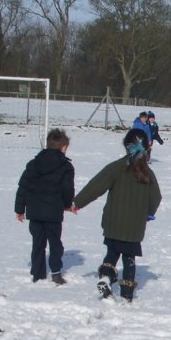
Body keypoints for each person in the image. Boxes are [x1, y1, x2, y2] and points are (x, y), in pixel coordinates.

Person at [72, 129, 162, 302]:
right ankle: (127, 294)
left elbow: (96, 186)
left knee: (112, 253)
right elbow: (156, 197)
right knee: (129, 258)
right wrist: (149, 213)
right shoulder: (148, 173)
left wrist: (78, 203)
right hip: (134, 227)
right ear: (146, 147)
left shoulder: (116, 168)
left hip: (113, 223)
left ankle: (105, 277)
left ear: (126, 146)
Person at [14, 128, 75, 285]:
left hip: (34, 212)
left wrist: (20, 210)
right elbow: (67, 189)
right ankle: (55, 273)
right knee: (55, 243)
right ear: (63, 148)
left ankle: (37, 273)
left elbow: (23, 187)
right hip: (53, 213)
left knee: (38, 243)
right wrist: (67, 204)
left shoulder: (33, 164)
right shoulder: (66, 167)